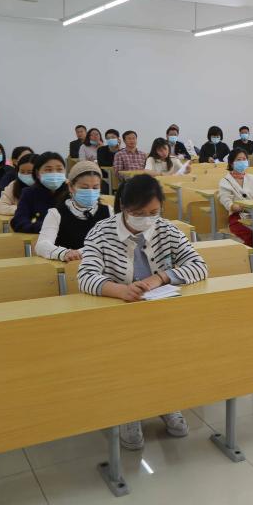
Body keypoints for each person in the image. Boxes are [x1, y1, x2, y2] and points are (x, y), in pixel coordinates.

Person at [78, 174, 208, 451]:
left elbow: (199, 265)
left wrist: (161, 277)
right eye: (138, 213)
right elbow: (86, 276)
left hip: (160, 311)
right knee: (128, 358)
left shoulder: (166, 229)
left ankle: (165, 402)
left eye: (153, 212)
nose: (147, 219)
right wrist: (120, 290)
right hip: (118, 314)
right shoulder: (101, 232)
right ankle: (130, 412)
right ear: (124, 207)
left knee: (166, 355)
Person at [36, 161, 110, 261]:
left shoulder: (108, 211)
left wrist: (80, 252)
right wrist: (64, 253)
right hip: (69, 268)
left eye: (95, 187)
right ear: (71, 187)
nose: (91, 191)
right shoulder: (56, 213)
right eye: (84, 188)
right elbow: (41, 245)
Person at [218, 148, 253, 247]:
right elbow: (226, 200)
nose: (242, 162)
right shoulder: (225, 181)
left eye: (244, 159)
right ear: (231, 163)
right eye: (238, 160)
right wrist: (237, 207)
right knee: (251, 235)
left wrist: (252, 205)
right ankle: (249, 256)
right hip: (237, 217)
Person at [11, 152, 68, 233]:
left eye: (59, 169)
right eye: (48, 170)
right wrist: (46, 227)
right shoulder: (29, 193)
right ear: (38, 173)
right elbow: (19, 222)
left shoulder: (71, 192)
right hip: (38, 237)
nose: (54, 173)